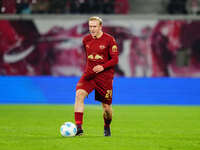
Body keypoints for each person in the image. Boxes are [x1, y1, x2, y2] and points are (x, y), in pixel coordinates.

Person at [74, 16, 119, 136]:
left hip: (104, 77)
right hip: (89, 75)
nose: (92, 29)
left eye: (94, 26)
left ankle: (107, 126)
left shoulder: (109, 40)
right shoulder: (86, 40)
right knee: (79, 95)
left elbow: (115, 59)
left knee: (106, 108)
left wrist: (102, 67)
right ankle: (79, 128)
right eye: (90, 26)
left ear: (100, 27)